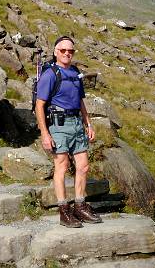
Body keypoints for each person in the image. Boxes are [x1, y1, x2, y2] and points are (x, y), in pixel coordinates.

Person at [35, 35, 102, 227]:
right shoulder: (50, 74)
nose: (67, 53)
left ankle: (80, 206)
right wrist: (45, 134)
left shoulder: (75, 72)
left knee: (83, 166)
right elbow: (40, 106)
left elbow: (80, 101)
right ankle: (64, 210)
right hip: (59, 125)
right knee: (62, 166)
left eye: (70, 51)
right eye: (63, 50)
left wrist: (88, 124)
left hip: (76, 124)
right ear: (56, 52)